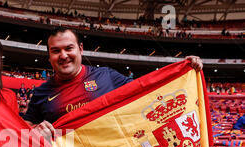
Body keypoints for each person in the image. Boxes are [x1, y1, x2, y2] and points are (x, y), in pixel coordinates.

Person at [23, 27, 203, 139]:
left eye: (69, 48)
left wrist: (182, 70)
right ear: (49, 56)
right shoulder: (41, 93)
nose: (63, 55)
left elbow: (146, 89)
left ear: (80, 49)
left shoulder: (106, 76)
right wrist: (35, 130)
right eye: (56, 51)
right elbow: (24, 129)